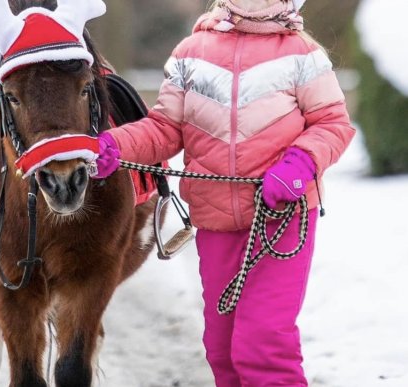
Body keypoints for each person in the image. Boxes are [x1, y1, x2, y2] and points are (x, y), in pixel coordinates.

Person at [95, 0, 355, 385]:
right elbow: (165, 128)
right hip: (215, 221)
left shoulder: (302, 53)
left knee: (264, 343)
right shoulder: (191, 52)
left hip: (280, 219)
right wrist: (118, 144)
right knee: (222, 348)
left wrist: (298, 166)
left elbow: (333, 122)